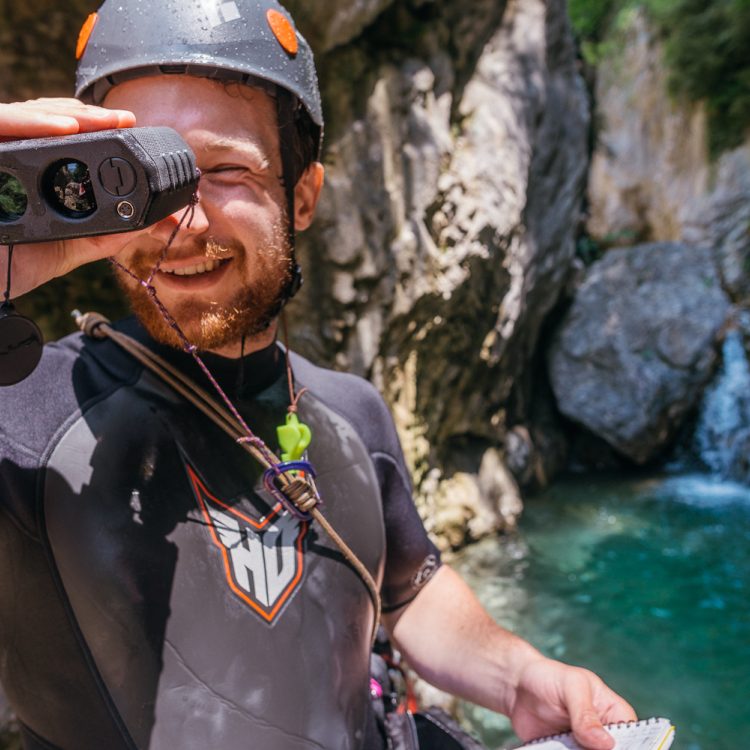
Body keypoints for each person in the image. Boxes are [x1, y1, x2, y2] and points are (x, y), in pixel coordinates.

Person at [0, 1, 637, 748]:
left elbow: (409, 587)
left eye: (224, 171)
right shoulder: (23, 418)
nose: (186, 225)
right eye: (148, 178)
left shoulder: (351, 411)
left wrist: (518, 675)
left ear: (302, 195)